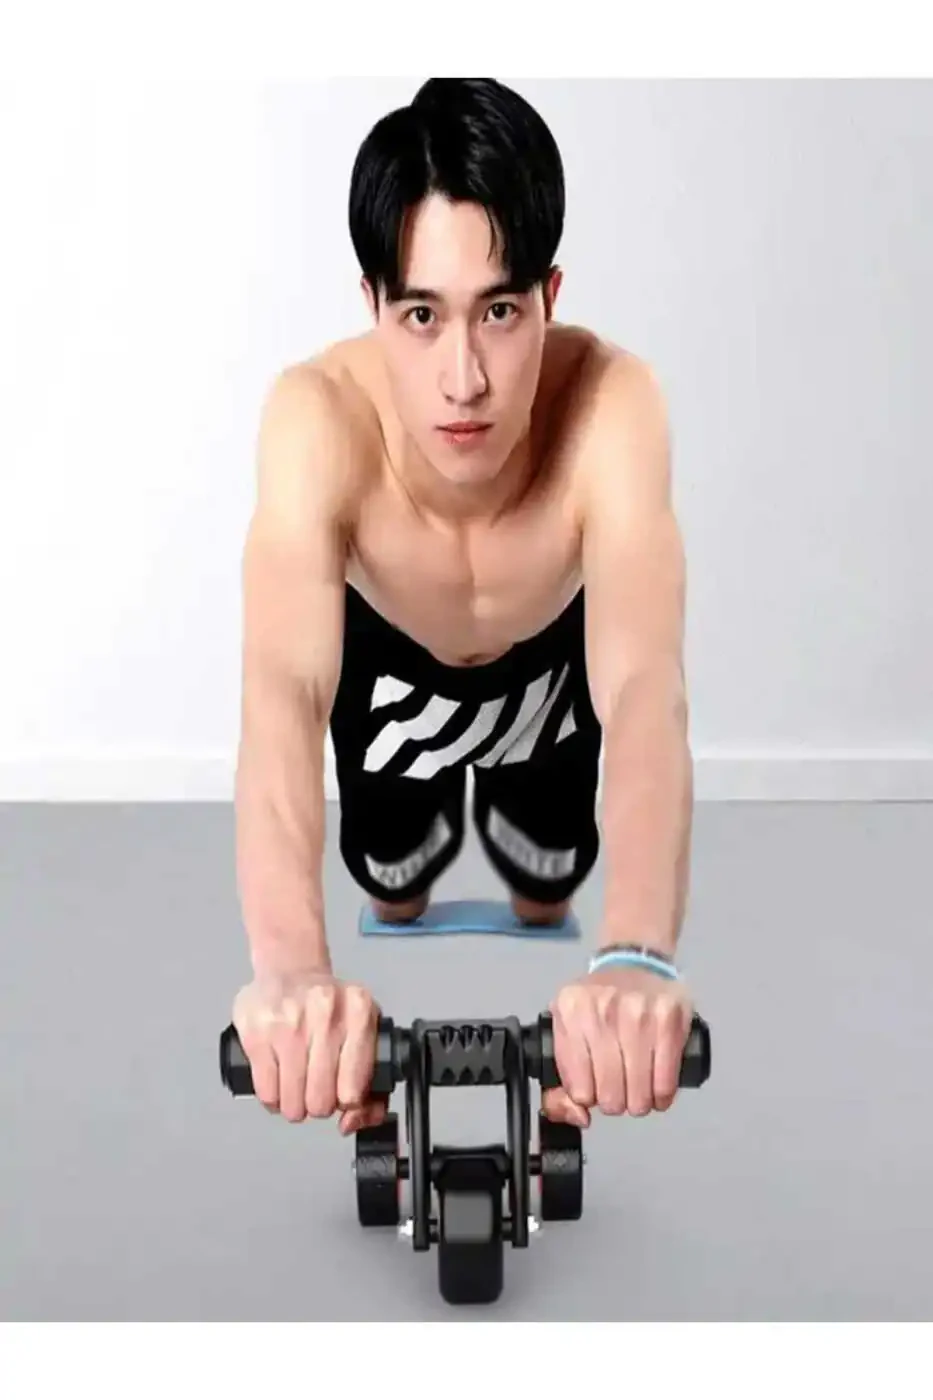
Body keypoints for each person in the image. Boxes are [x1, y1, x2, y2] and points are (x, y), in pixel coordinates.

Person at [231, 78, 696, 1137]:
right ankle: (410, 867)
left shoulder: (615, 403)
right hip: (391, 671)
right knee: (392, 884)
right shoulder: (315, 417)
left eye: (498, 311)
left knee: (547, 886)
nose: (464, 379)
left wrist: (634, 958)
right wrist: (293, 974)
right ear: (372, 306)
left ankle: (534, 868)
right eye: (421, 315)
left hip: (549, 664)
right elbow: (283, 690)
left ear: (548, 297)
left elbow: (641, 683)